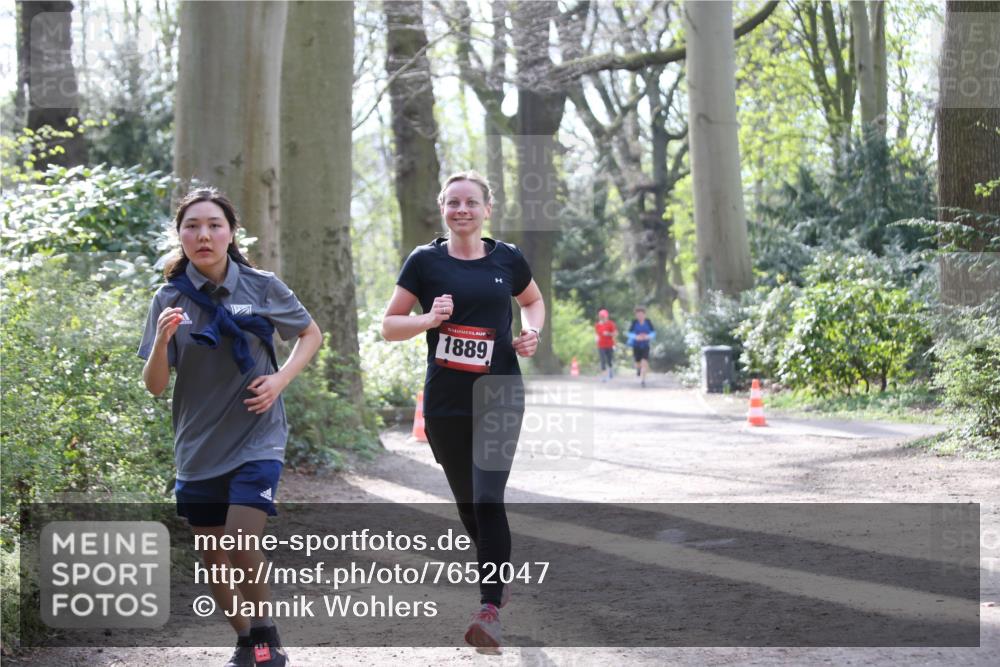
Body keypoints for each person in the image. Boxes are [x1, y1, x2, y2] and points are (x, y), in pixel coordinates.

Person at [139, 188, 322, 667]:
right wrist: (161, 341)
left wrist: (280, 380)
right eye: (192, 226)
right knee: (213, 558)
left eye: (214, 225)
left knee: (242, 540)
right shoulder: (168, 297)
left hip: (257, 435)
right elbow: (156, 386)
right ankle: (247, 640)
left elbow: (310, 333)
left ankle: (266, 637)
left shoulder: (261, 286)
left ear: (231, 233)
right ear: (179, 235)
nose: (203, 235)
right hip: (197, 445)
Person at [381, 171, 545, 650]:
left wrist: (532, 331)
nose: (462, 210)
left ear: (487, 209)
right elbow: (390, 325)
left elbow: (532, 301)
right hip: (447, 400)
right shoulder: (424, 262)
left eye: (471, 202)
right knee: (470, 504)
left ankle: (489, 608)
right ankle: (498, 575)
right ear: (443, 209)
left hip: (499, 394)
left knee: (489, 498)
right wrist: (428, 320)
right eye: (453, 202)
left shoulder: (508, 259)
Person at [627, 306, 656, 387]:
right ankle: (638, 369)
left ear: (644, 314)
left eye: (641, 314)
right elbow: (629, 333)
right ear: (636, 315)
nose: (639, 316)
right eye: (638, 314)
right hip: (636, 345)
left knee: (644, 362)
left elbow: (653, 333)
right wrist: (636, 337)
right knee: (638, 362)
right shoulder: (634, 322)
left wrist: (647, 336)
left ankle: (643, 380)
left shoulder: (648, 322)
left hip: (645, 345)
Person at [594, 308, 617, 382]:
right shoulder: (597, 325)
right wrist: (596, 339)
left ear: (606, 316)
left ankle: (610, 369)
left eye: (603, 316)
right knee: (603, 361)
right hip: (601, 345)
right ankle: (604, 377)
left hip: (609, 345)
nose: (602, 317)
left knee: (609, 360)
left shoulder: (611, 324)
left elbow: (615, 333)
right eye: (601, 316)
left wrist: (609, 334)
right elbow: (597, 334)